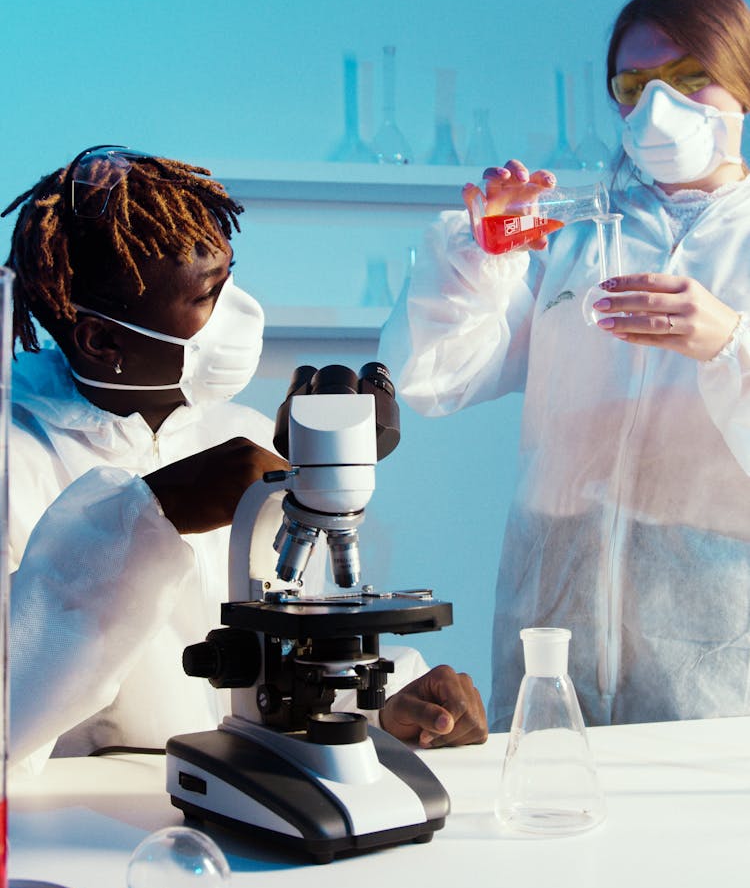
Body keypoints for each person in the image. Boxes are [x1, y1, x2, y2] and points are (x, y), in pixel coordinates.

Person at [5, 147, 487, 770]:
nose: (243, 311)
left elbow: (298, 632)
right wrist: (154, 511)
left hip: (230, 790)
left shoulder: (234, 431)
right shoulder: (14, 454)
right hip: (72, 821)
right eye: (210, 294)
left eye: (230, 277)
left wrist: (384, 704)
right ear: (101, 340)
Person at [380, 0, 750, 729]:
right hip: (553, 634)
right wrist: (482, 256)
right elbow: (434, 376)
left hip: (718, 652)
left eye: (689, 79)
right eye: (635, 83)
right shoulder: (576, 236)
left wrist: (733, 346)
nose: (658, 107)